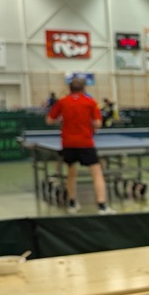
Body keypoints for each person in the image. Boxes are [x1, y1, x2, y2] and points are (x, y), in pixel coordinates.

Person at [46, 78, 115, 215]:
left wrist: (62, 119)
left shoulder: (62, 102)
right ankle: (102, 206)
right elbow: (97, 124)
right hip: (85, 143)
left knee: (71, 174)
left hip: (68, 143)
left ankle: (72, 204)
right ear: (84, 88)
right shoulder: (91, 102)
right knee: (97, 174)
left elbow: (49, 120)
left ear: (70, 88)